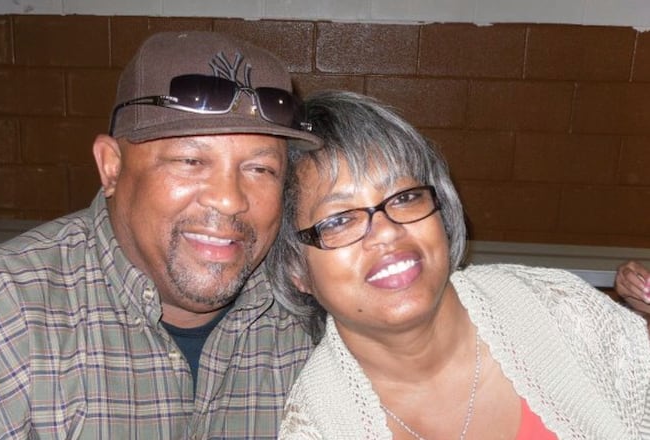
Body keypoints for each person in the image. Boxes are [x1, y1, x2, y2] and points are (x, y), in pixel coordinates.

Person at [0, 31, 323, 439]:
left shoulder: (316, 322)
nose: (230, 199)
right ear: (112, 167)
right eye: (190, 161)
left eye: (260, 168)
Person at [266, 91, 650, 439]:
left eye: (404, 197)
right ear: (295, 268)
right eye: (339, 220)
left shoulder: (558, 310)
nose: (386, 232)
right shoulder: (318, 426)